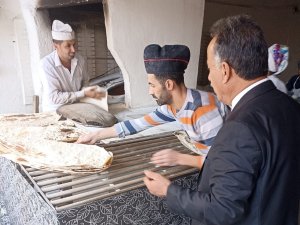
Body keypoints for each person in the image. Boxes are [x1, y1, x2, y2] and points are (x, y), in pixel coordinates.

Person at [144, 15, 300, 225]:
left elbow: (222, 210)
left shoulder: (240, 126)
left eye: (210, 69)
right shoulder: (289, 105)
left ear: (225, 71)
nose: (208, 78)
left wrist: (169, 191)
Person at [77, 44, 226, 169]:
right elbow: (136, 124)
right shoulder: (173, 107)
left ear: (168, 84)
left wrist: (180, 158)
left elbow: (221, 164)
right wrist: (95, 135)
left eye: (152, 85)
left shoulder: (203, 111)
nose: (150, 91)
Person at [40, 20, 105, 112]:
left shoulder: (80, 60)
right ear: (56, 46)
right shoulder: (46, 64)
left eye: (74, 44)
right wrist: (82, 93)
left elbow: (85, 81)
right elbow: (54, 97)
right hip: (54, 110)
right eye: (68, 46)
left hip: (76, 107)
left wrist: (87, 91)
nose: (73, 50)